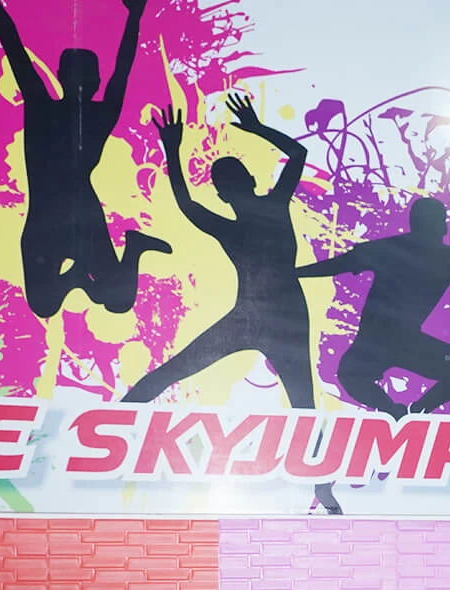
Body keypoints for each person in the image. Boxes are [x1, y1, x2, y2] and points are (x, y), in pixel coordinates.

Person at [124, 97, 337, 514]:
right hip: (256, 315)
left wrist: (174, 147)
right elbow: (297, 154)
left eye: (230, 179)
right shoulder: (252, 216)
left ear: (233, 188)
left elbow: (297, 154)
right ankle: (116, 417)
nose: (229, 187)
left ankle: (324, 489)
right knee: (179, 371)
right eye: (226, 182)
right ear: (226, 193)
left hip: (281, 317)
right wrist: (252, 128)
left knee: (304, 405)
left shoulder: (264, 210)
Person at [0, 0, 169, 318]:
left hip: (76, 218)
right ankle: (77, 277)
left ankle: (113, 258)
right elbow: (120, 70)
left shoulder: (59, 108)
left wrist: (135, 16)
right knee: (46, 305)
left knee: (116, 300)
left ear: (59, 75)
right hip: (49, 219)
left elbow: (16, 50)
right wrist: (134, 16)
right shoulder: (55, 109)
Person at [297, 196, 450, 418]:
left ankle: (413, 411)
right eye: (443, 221)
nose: (446, 227)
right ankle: (404, 411)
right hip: (381, 343)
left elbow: (336, 265)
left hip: (401, 342)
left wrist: (295, 273)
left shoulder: (411, 252)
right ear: (434, 225)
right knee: (351, 374)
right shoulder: (441, 258)